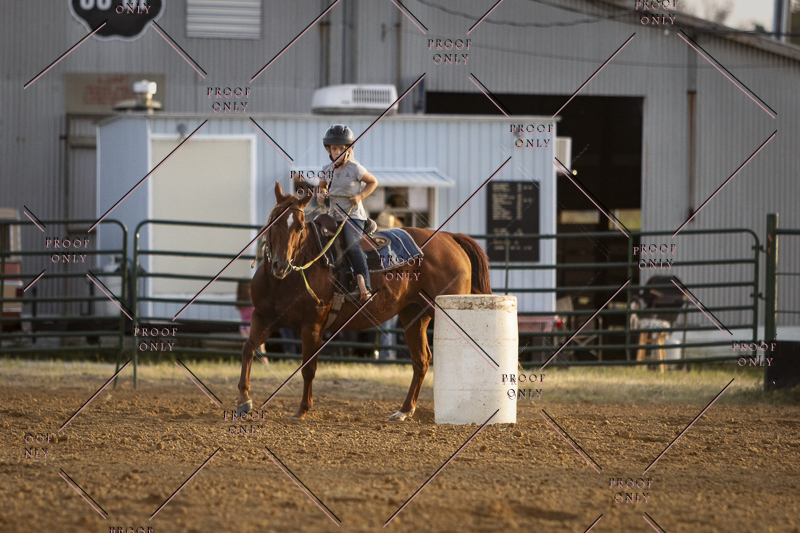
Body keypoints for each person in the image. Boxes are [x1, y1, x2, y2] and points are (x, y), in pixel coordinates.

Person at [316, 125, 378, 304]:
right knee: (316, 238)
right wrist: (321, 195)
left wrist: (360, 196)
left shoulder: (355, 168)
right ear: (329, 150)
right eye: (334, 149)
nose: (338, 152)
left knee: (352, 244)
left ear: (348, 150)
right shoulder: (326, 169)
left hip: (353, 216)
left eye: (342, 149)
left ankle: (365, 285)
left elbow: (373, 182)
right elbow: (322, 187)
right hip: (333, 216)